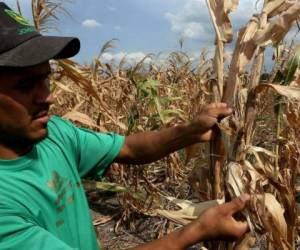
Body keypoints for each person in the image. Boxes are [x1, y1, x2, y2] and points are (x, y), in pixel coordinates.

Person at [0, 2, 250, 250]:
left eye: (45, 79)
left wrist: (190, 131)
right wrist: (198, 230)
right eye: (24, 86)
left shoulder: (54, 134)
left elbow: (129, 148)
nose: (48, 96)